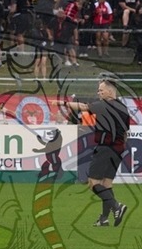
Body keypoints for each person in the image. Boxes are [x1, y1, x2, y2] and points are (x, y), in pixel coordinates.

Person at [51, 78, 130, 227]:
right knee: (106, 184)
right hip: (119, 148)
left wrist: (63, 103)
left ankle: (117, 206)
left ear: (110, 91)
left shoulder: (104, 104)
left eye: (101, 90)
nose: (98, 93)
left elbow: (83, 107)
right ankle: (104, 219)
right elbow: (126, 132)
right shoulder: (123, 107)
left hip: (105, 148)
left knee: (93, 183)